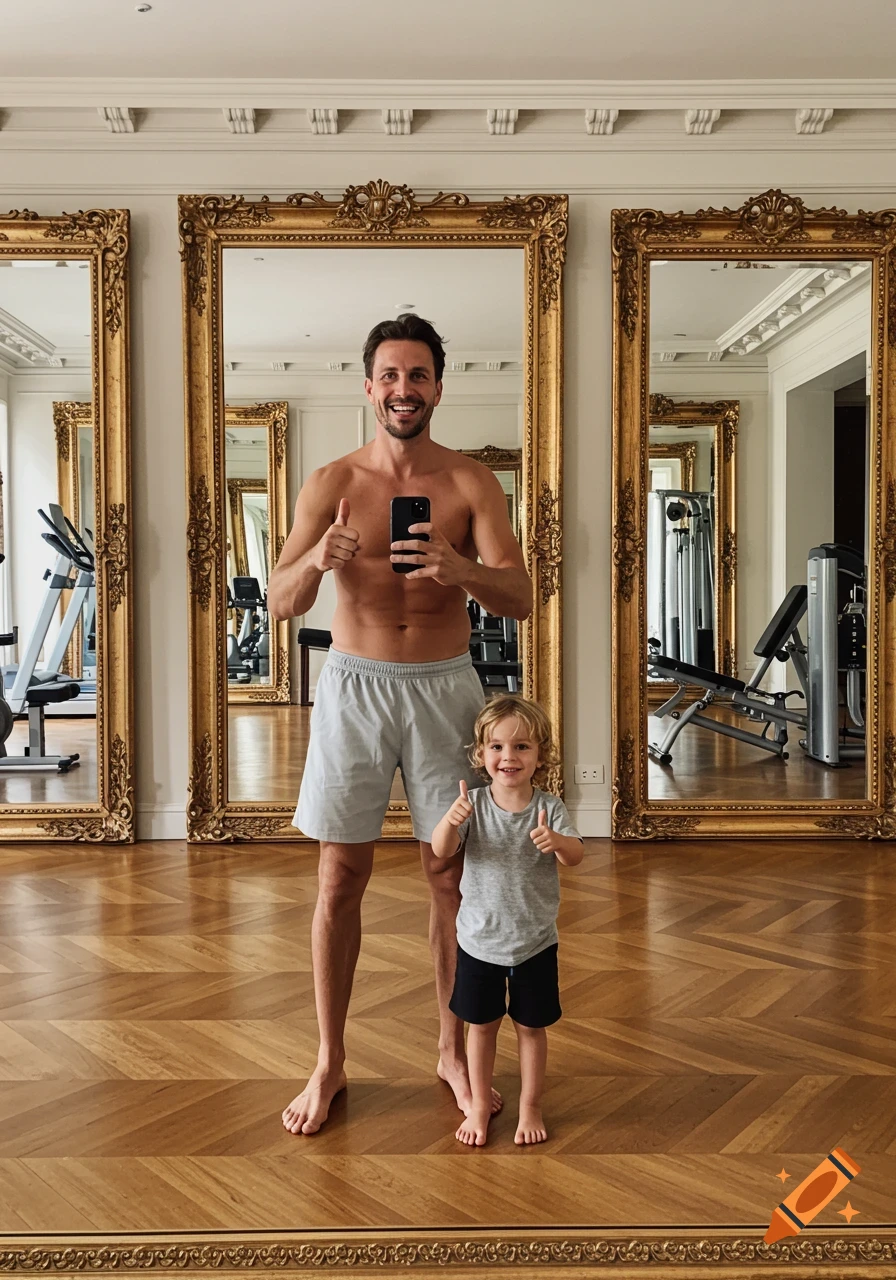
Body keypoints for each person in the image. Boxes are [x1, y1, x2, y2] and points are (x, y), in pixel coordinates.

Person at [269, 313, 533, 1135]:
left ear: (438, 387)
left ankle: (452, 1052)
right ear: (368, 386)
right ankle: (329, 1061)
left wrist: (462, 570)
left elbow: (523, 597)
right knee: (339, 879)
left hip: (447, 689)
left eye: (418, 375)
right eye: (389, 375)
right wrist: (319, 560)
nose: (403, 389)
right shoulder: (330, 480)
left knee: (451, 877)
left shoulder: (470, 484)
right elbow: (279, 601)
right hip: (354, 687)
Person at [430, 695, 583, 1147]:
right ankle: (478, 1103)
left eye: (521, 747)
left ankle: (531, 1105)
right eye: (497, 747)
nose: (508, 757)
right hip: (478, 943)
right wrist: (450, 822)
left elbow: (575, 856)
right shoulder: (472, 804)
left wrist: (556, 841)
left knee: (531, 1029)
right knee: (481, 1028)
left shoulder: (549, 807)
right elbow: (441, 851)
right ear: (481, 755)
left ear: (541, 755)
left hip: (535, 941)